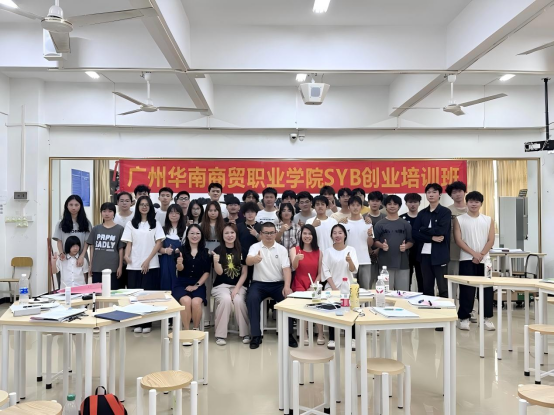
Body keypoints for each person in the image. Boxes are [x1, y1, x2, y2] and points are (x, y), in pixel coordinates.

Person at [246, 222, 296, 350]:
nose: (269, 235)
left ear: (275, 233)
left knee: (288, 298)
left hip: (277, 284)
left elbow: (286, 269)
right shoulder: (255, 247)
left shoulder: (281, 249)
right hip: (259, 284)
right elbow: (248, 261)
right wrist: (254, 259)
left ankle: (288, 334)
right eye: (266, 233)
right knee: (251, 298)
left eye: (271, 233)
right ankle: (256, 335)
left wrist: (287, 286)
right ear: (261, 234)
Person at [122, 196, 165, 333]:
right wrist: (126, 255)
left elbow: (159, 243)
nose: (144, 207)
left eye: (147, 204)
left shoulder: (155, 223)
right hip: (134, 264)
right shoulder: (131, 224)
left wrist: (147, 260)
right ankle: (137, 322)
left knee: (148, 295)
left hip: (151, 264)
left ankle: (147, 323)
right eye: (142, 204)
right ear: (138, 206)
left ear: (150, 207)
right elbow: (129, 243)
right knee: (134, 294)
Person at [454, 191, 496, 331]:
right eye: (471, 201)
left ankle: (486, 319)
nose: (474, 204)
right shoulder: (459, 219)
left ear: (481, 204)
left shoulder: (488, 220)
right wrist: (474, 254)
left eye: (476, 202)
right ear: (467, 203)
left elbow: (491, 240)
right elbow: (458, 240)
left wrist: (481, 255)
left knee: (487, 290)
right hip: (467, 259)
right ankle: (464, 318)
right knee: (467, 290)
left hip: (485, 261)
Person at [321, 224, 359, 350]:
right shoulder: (328, 251)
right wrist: (334, 288)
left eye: (340, 233)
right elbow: (325, 271)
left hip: (348, 286)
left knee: (351, 309)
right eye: (335, 233)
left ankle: (352, 338)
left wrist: (349, 261)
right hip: (332, 286)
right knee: (332, 308)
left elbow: (353, 270)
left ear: (345, 235)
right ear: (331, 235)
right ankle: (332, 338)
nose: (337, 235)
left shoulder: (351, 250)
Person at [212, 223, 250, 345]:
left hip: (239, 285)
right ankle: (220, 335)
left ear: (236, 234)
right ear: (222, 235)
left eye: (232, 232)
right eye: (226, 233)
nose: (229, 235)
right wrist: (216, 261)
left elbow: (244, 273)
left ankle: (245, 333)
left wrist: (236, 289)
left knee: (238, 301)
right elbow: (219, 272)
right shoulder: (218, 250)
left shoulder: (243, 250)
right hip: (221, 286)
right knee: (226, 300)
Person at [412, 183, 451, 299]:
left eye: (434, 192)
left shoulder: (445, 212)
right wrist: (431, 238)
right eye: (428, 192)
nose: (431, 194)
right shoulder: (422, 213)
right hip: (424, 255)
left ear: (439, 194)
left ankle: (444, 310)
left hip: (440, 254)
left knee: (443, 287)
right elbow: (415, 232)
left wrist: (423, 229)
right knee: (427, 287)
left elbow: (442, 230)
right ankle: (428, 309)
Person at [290, 224, 325, 345]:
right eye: (304, 233)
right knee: (303, 304)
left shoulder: (319, 252)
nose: (307, 236)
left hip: (314, 283)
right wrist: (296, 258)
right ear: (301, 235)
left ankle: (320, 333)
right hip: (299, 283)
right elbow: (294, 267)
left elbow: (320, 273)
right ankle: (304, 332)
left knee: (318, 303)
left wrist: (314, 285)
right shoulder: (294, 250)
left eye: (310, 234)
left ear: (313, 236)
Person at [373, 195, 414, 291]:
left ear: (399, 206)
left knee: (403, 293)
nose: (392, 206)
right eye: (389, 204)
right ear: (385, 206)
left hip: (403, 264)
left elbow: (411, 241)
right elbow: (375, 242)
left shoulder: (405, 224)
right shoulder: (379, 224)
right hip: (385, 265)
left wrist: (406, 246)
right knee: (386, 293)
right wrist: (381, 246)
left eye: (395, 204)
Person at [175, 225, 211, 333]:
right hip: (181, 283)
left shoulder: (206, 252)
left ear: (201, 235)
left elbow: (206, 272)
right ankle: (186, 331)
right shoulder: (180, 250)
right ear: (187, 235)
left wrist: (196, 285)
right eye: (192, 233)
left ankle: (195, 330)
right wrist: (179, 263)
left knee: (196, 302)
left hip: (198, 283)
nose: (195, 236)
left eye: (197, 233)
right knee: (186, 300)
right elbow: (179, 269)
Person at [85, 202, 124, 289]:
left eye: (110, 211)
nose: (107, 214)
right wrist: (91, 265)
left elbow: (121, 249)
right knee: (98, 293)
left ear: (114, 213)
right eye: (104, 211)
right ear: (101, 213)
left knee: (113, 292)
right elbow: (92, 247)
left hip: (113, 267)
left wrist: (120, 266)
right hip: (97, 267)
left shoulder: (120, 229)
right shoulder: (96, 229)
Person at [343, 196, 374, 290]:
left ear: (361, 207)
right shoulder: (343, 224)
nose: (355, 208)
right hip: (348, 261)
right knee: (349, 289)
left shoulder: (367, 224)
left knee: (366, 290)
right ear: (349, 207)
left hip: (365, 261)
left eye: (358, 205)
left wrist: (369, 235)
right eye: (353, 205)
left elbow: (370, 244)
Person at [53, 195, 92, 266]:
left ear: (80, 206)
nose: (73, 208)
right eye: (71, 205)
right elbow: (59, 241)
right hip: (66, 259)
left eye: (76, 205)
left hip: (81, 258)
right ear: (67, 206)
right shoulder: (61, 223)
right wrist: (61, 253)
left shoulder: (86, 223)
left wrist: (82, 256)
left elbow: (87, 242)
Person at [158, 204, 187, 292]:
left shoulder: (186, 230)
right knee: (165, 283)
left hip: (179, 261)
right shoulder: (162, 229)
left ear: (181, 215)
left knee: (177, 285)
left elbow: (188, 247)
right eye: (171, 213)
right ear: (167, 215)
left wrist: (180, 250)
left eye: (177, 213)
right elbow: (158, 248)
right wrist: (165, 250)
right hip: (165, 261)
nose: (174, 215)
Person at [401, 193, 423, 291]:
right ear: (406, 203)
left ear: (419, 203)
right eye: (410, 202)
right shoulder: (401, 218)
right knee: (406, 281)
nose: (413, 204)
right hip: (406, 254)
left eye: (415, 202)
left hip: (421, 253)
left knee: (422, 280)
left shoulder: (424, 218)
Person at [446, 181, 468, 277]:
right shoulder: (447, 211)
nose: (458, 194)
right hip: (452, 249)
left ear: (464, 192)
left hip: (470, 248)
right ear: (451, 195)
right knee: (453, 276)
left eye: (460, 191)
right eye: (454, 192)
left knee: (468, 278)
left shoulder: (472, 209)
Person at [237, 202, 262, 285]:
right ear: (244, 214)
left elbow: (265, 242)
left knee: (255, 280)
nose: (250, 214)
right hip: (241, 257)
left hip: (256, 257)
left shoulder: (260, 227)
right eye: (247, 212)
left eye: (252, 212)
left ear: (256, 214)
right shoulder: (238, 227)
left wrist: (257, 235)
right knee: (243, 281)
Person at [368, 191, 387, 288]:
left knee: (383, 284)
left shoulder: (386, 218)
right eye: (372, 200)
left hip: (383, 253)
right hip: (367, 255)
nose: (374, 203)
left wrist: (378, 249)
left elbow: (388, 237)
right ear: (368, 202)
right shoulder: (363, 218)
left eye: (377, 201)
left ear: (381, 203)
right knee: (368, 283)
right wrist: (370, 250)